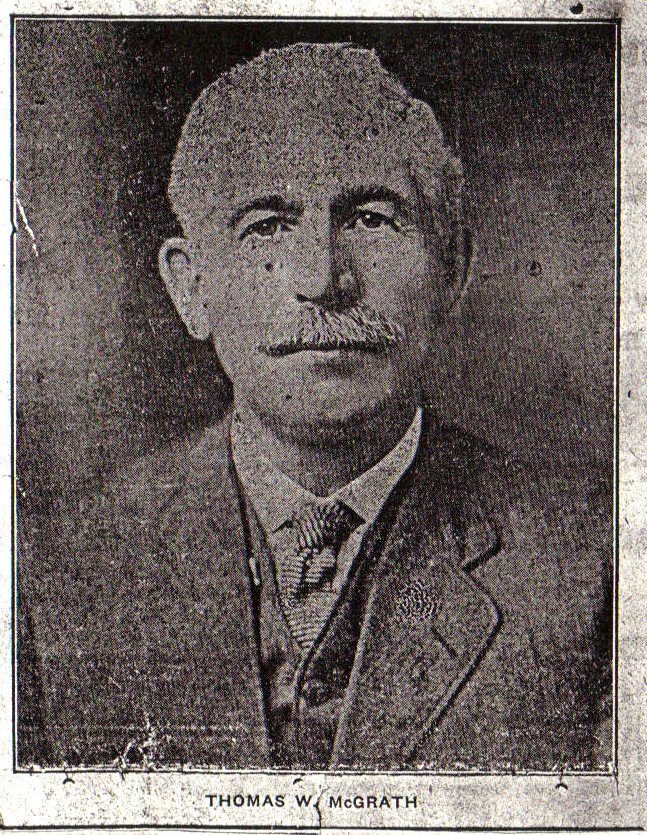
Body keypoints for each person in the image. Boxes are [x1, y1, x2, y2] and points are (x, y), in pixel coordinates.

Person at [18, 42, 612, 771]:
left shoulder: (595, 564)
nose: (323, 279)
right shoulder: (54, 567)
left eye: (370, 219)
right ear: (190, 287)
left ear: (451, 267)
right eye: (267, 225)